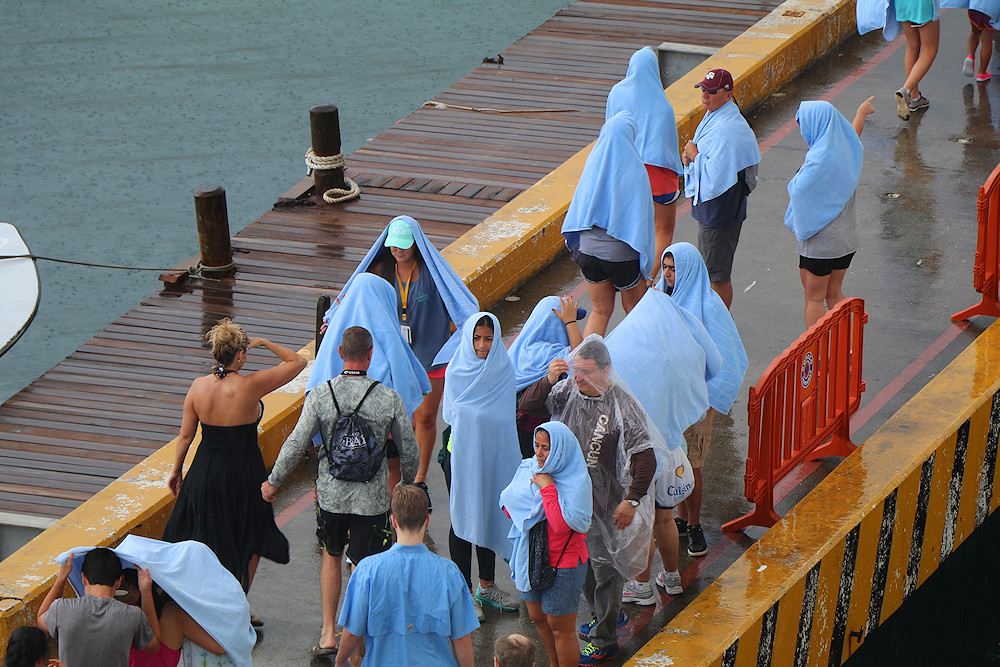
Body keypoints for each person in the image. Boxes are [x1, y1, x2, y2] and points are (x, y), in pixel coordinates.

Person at [262, 326, 418, 658]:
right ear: (371, 355)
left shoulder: (319, 395)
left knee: (332, 555)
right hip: (372, 499)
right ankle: (356, 635)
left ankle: (327, 634)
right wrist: (405, 485)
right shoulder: (388, 398)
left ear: (340, 354)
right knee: (363, 566)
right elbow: (410, 450)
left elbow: (296, 443)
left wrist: (273, 481)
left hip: (331, 496)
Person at [519, 337, 661, 665]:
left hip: (605, 506)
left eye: (586, 372)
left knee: (605, 572)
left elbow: (646, 458)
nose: (578, 378)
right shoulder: (567, 390)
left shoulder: (622, 404)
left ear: (606, 371)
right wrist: (547, 379)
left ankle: (606, 639)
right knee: (580, 568)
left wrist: (633, 500)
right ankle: (604, 616)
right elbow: (527, 406)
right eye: (575, 370)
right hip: (572, 501)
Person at [320, 215, 479, 489]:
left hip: (430, 357)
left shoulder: (433, 275)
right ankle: (394, 475)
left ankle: (418, 479)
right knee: (397, 422)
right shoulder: (380, 269)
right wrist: (334, 319)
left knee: (425, 418)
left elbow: (460, 304)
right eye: (394, 244)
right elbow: (354, 297)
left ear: (416, 243)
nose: (399, 250)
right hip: (395, 359)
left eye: (404, 244)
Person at [162, 318, 305, 597]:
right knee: (251, 536)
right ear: (240, 354)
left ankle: (205, 601)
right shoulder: (252, 385)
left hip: (207, 470)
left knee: (205, 537)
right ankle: (239, 602)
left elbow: (185, 437)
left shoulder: (198, 387)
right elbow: (297, 362)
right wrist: (264, 342)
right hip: (245, 473)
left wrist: (176, 470)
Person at [655, 243, 749, 558]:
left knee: (691, 462)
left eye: (674, 269)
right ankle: (680, 519)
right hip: (665, 397)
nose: (668, 275)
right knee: (671, 460)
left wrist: (707, 395)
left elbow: (728, 355)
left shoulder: (709, 306)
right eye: (665, 268)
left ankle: (693, 524)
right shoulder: (658, 300)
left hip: (694, 400)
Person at [335, 484, 479, 667]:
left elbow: (352, 633)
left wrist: (340, 661)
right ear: (427, 520)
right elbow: (461, 638)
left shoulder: (367, 570)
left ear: (394, 521)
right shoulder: (449, 572)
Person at [442, 313, 522, 618]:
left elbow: (503, 417)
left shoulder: (503, 370)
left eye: (488, 338)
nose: (482, 345)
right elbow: (452, 415)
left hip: (492, 454)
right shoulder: (456, 372)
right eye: (477, 338)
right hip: (460, 456)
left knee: (489, 512)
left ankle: (486, 587)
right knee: (463, 516)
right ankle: (464, 593)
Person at [500, 422, 591, 667]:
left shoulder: (575, 481)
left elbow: (562, 525)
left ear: (560, 450)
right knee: (537, 617)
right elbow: (507, 504)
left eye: (546, 448)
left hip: (566, 562)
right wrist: (524, 510)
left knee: (560, 628)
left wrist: (548, 488)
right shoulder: (528, 468)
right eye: (537, 446)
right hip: (532, 558)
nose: (539, 453)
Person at [562, 112, 656, 337]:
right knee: (635, 311)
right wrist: (647, 270)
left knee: (601, 311)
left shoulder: (594, 163)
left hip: (589, 252)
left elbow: (579, 208)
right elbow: (642, 225)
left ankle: (584, 368)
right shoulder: (636, 171)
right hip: (621, 257)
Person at [785, 98, 874, 328]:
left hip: (821, 244)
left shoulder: (818, 161)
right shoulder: (845, 150)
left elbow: (799, 189)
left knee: (814, 298)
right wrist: (860, 114)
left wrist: (799, 174)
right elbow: (854, 134)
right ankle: (849, 340)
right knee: (834, 294)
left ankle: (817, 352)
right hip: (846, 241)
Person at [682, 68, 760, 309]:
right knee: (712, 270)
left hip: (720, 211)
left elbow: (716, 175)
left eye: (712, 91)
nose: (705, 95)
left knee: (717, 275)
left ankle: (720, 325)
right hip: (716, 209)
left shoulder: (726, 128)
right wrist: (691, 156)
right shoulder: (718, 117)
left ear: (728, 95)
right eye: (703, 89)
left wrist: (694, 155)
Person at [606, 46, 684, 270]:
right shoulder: (663, 107)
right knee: (662, 230)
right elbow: (668, 150)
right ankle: (649, 278)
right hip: (658, 176)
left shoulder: (616, 93)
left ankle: (627, 275)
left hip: (625, 171)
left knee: (627, 228)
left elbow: (609, 134)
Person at [37, 549, 158, 667]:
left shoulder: (62, 609)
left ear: (84, 578)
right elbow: (153, 645)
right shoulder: (132, 616)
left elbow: (41, 619)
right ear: (119, 581)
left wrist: (62, 577)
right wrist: (146, 591)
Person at [509, 295, 584, 458]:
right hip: (537, 431)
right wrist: (571, 323)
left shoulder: (518, 347)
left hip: (514, 428)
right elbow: (579, 355)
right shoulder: (547, 352)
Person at [856, 0, 938, 119]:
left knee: (912, 46)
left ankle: (915, 98)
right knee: (930, 50)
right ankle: (906, 90)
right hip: (922, 4)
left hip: (902, 4)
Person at [963, 2, 998, 83]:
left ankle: (970, 56)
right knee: (987, 41)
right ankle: (982, 73)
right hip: (991, 10)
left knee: (974, 32)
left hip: (974, 7)